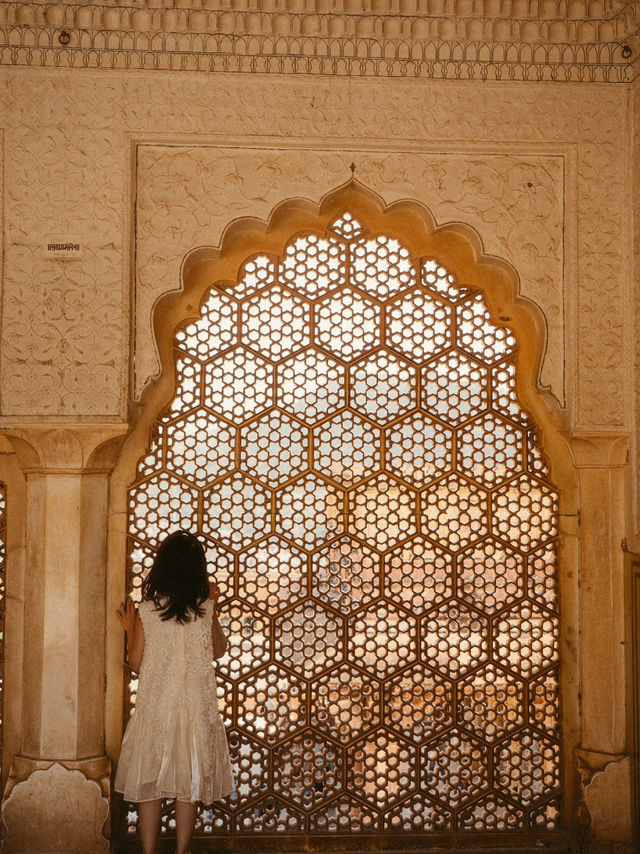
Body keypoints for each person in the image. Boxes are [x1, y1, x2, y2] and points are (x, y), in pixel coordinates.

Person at [114, 530, 235, 854]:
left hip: (156, 711)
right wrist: (214, 608)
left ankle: (149, 851)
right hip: (194, 712)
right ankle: (182, 851)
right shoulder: (204, 609)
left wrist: (130, 631)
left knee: (149, 786)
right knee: (187, 786)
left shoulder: (148, 611)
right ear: (197, 570)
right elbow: (219, 650)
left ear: (162, 569)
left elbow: (137, 662)